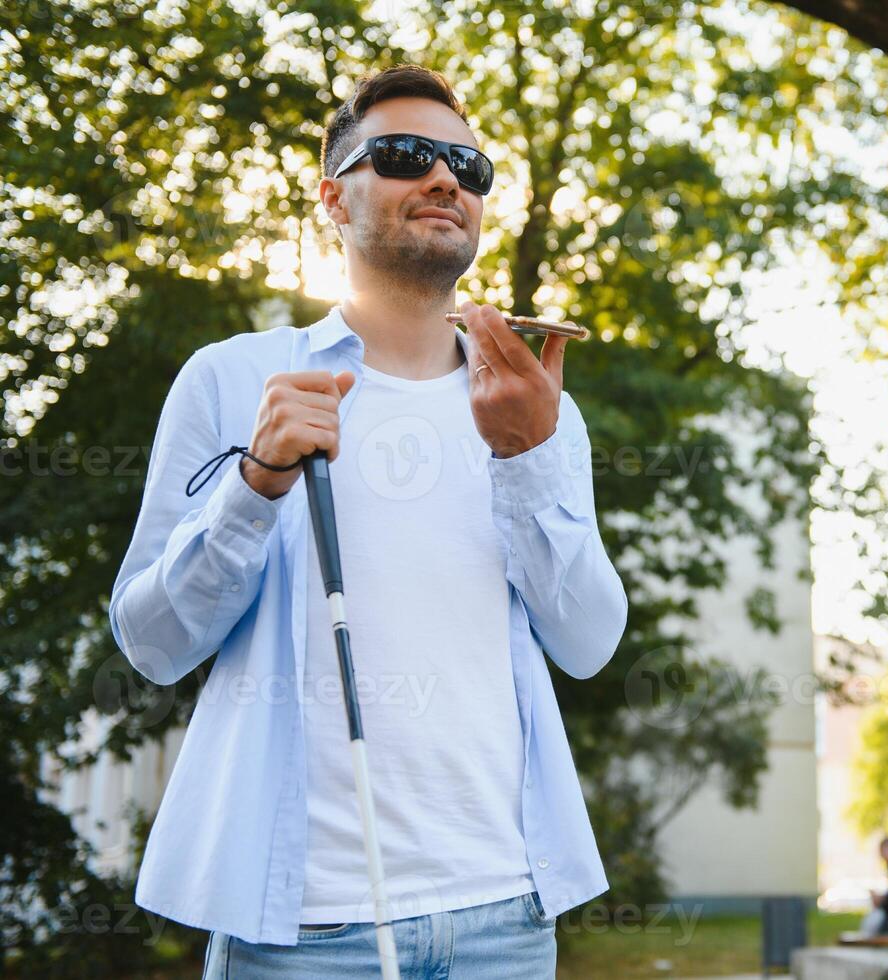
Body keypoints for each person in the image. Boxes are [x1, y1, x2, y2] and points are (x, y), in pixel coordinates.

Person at [108, 63, 628, 978]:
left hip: (506, 915)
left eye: (469, 166)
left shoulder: (534, 405)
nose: (443, 179)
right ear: (331, 198)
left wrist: (528, 458)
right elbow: (152, 644)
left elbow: (587, 642)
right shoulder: (233, 380)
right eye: (403, 155)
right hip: (301, 927)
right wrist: (256, 482)